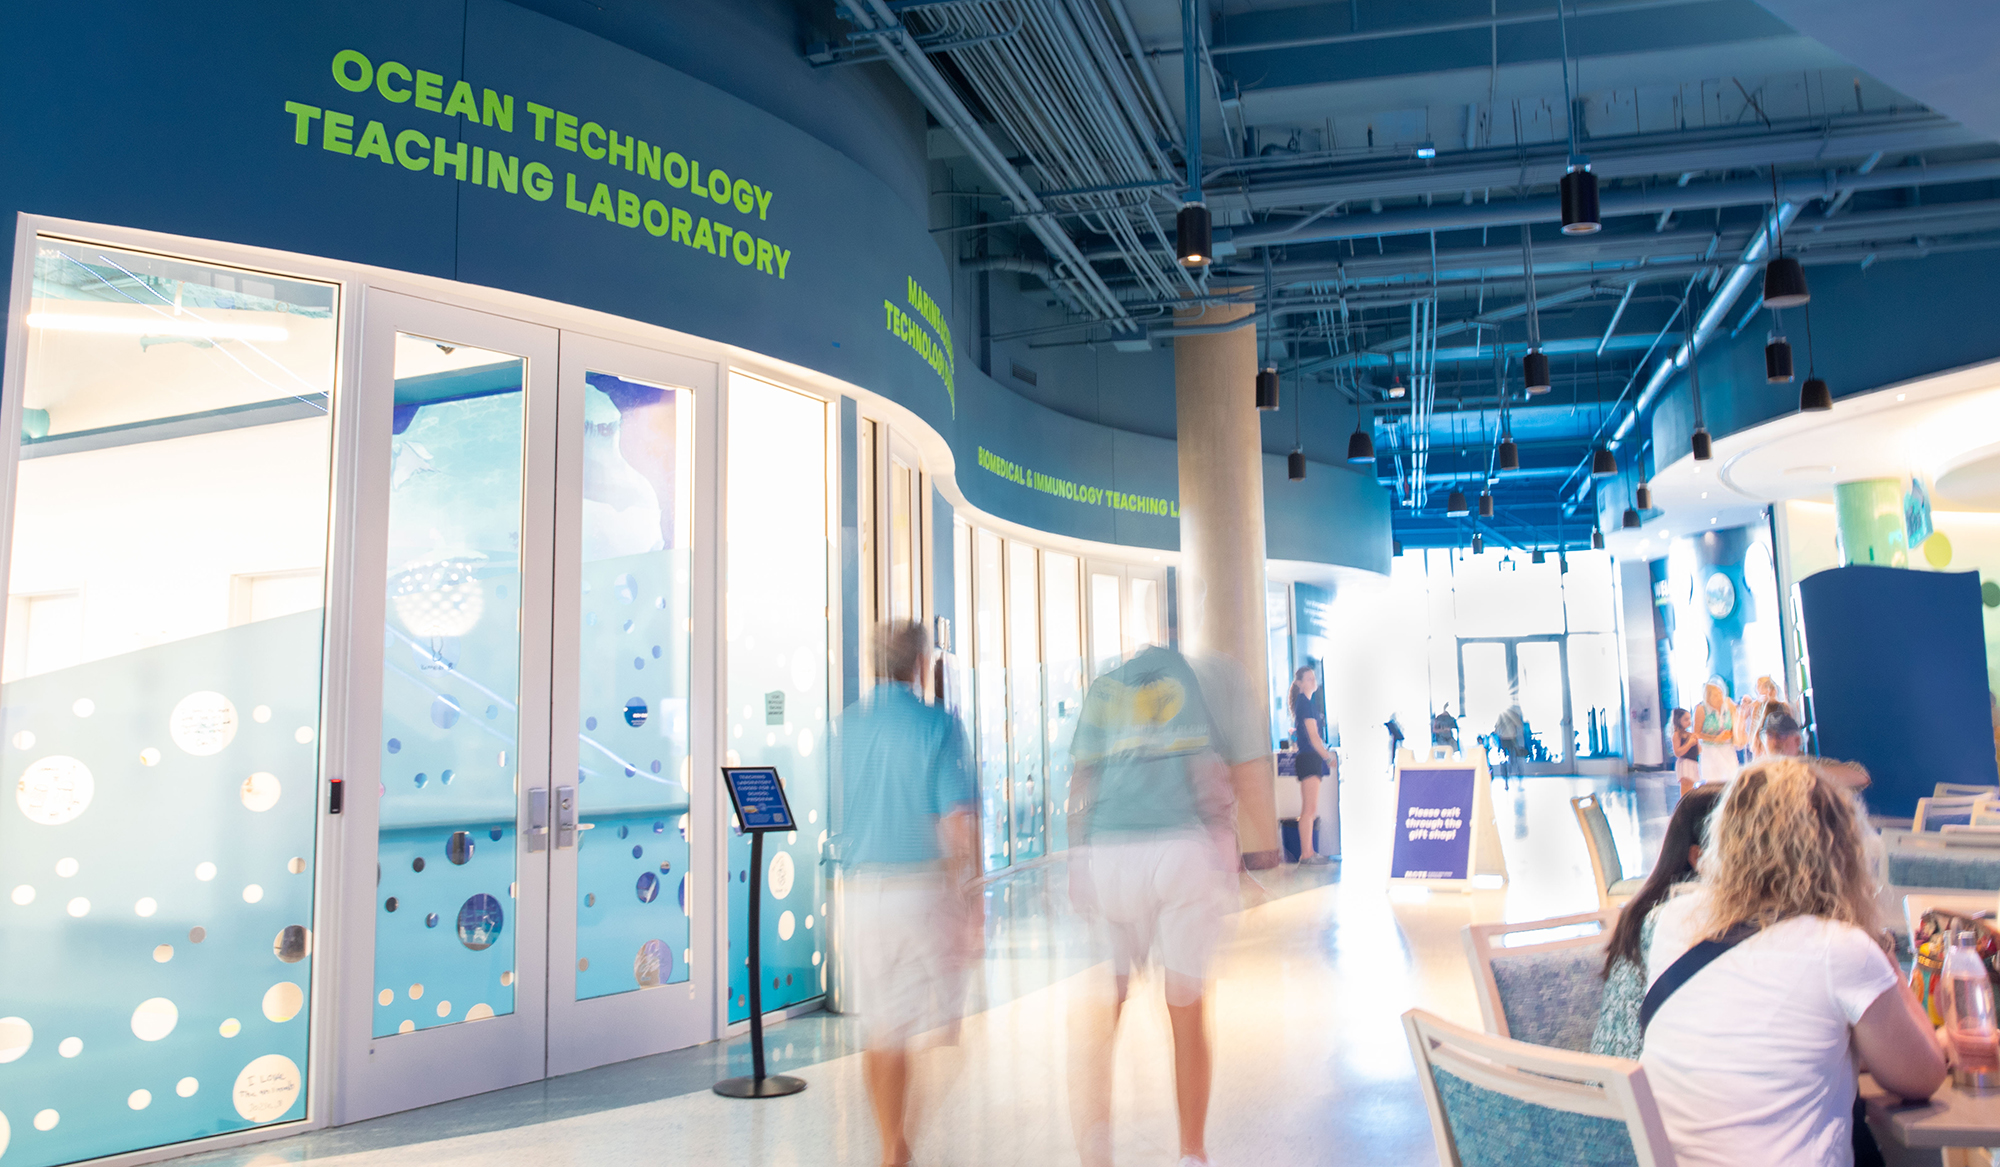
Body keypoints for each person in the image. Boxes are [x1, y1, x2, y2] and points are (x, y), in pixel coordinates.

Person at [1641, 758, 1946, 1166]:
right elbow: (1922, 1076)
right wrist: (1882, 949)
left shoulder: (1674, 922)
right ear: (1839, 850)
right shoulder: (1838, 948)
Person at [1066, 643, 1261, 1167]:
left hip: (1108, 851)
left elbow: (1081, 780)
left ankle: (1095, 1149)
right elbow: (1211, 773)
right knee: (1186, 1006)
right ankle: (1191, 1153)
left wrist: (1075, 857)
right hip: (1180, 848)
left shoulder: (1105, 687)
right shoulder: (1191, 683)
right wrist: (1232, 847)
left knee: (1104, 1003)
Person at [833, 622, 978, 1167]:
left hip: (861, 892)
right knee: (947, 1030)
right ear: (920, 663)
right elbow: (957, 822)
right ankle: (899, 1144)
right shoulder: (939, 725)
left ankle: (891, 1144)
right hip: (921, 890)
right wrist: (968, 902)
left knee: (883, 1026)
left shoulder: (844, 727)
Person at [1591, 785, 1723, 1058]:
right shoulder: (1680, 920)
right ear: (1698, 857)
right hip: (1635, 1086)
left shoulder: (1645, 911)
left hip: (1621, 1078)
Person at [1289, 665, 1335, 865]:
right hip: (1309, 758)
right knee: (1309, 809)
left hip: (1308, 757)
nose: (1312, 681)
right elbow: (1314, 736)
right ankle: (1306, 854)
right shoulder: (1305, 704)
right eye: (1308, 679)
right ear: (1299, 683)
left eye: (1313, 678)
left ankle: (1309, 852)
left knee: (1310, 808)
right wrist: (1327, 757)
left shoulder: (1305, 703)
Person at [1693, 679, 1739, 787]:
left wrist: (1732, 735)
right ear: (1707, 697)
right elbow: (1696, 733)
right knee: (1713, 783)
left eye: (1720, 693)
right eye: (1715, 695)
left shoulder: (1729, 706)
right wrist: (1715, 738)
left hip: (1728, 749)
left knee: (1731, 781)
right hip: (1709, 751)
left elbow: (1737, 726)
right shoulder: (1701, 709)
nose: (1719, 697)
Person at [1671, 707, 1702, 797]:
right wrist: (1689, 743)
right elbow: (1678, 752)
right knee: (1686, 789)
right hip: (1685, 763)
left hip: (1693, 762)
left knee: (1692, 788)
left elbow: (1699, 750)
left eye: (1689, 719)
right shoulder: (1677, 735)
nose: (1689, 721)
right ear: (1678, 720)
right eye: (1686, 719)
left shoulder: (1690, 734)